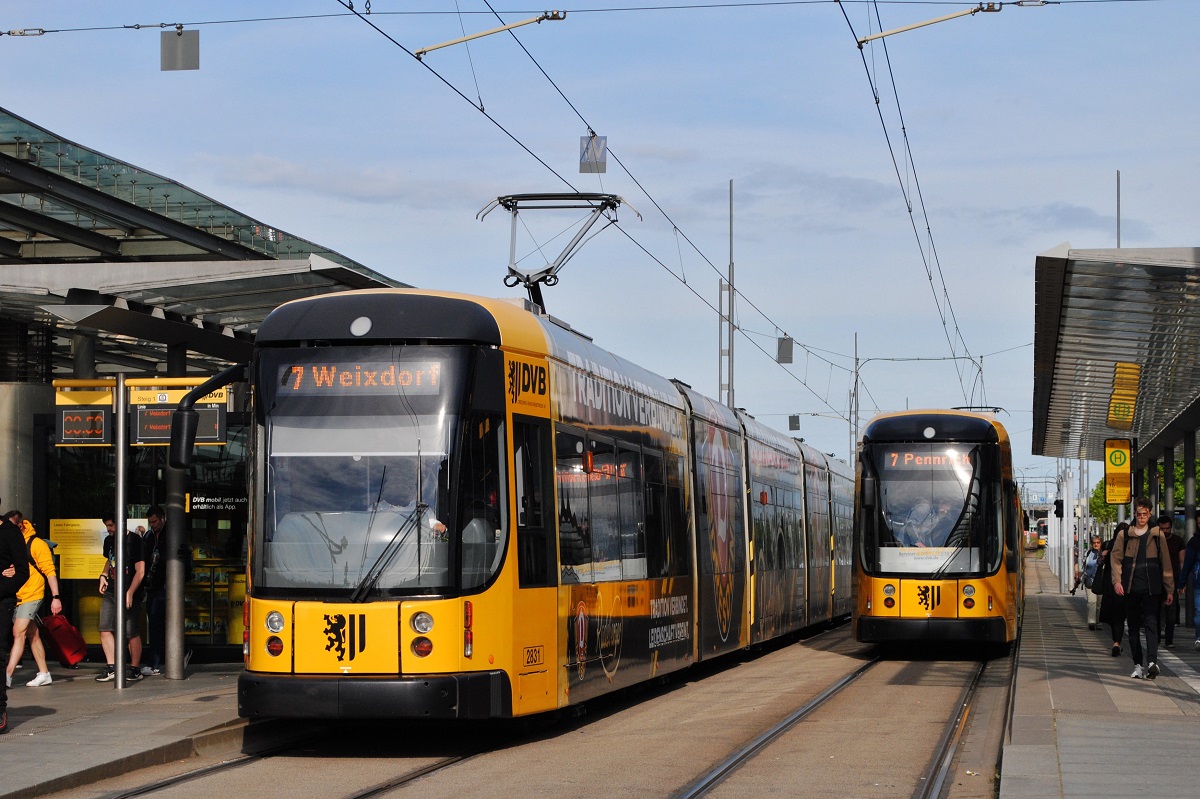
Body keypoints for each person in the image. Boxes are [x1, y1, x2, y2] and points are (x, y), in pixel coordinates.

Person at [1110, 498, 1175, 679]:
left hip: (1151, 588)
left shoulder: (1157, 535)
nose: (1142, 517)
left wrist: (1169, 588)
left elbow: (1166, 563)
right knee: (1132, 627)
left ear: (1150, 514)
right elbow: (1115, 559)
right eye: (1139, 513)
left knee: (1151, 624)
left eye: (1145, 513)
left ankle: (1152, 662)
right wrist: (1117, 581)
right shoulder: (1125, 534)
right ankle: (1138, 664)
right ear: (1135, 514)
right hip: (1130, 588)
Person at [4, 511, 62, 689]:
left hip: (33, 594)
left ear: (20, 525)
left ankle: (7, 675)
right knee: (32, 634)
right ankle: (44, 673)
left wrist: (56, 597)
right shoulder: (11, 541)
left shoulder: (36, 544)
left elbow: (49, 571)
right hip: (17, 595)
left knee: (18, 632)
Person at [96, 515, 145, 683]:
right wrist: (103, 575)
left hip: (129, 588)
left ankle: (135, 668)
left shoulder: (135, 541)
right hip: (112, 589)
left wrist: (130, 592)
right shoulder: (109, 540)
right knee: (105, 627)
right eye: (106, 525)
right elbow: (110, 560)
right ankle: (112, 667)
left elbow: (140, 570)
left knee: (130, 630)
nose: (108, 529)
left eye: (111, 525)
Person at [0, 497, 30, 733]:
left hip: (2, 601)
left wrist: (4, 588)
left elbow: (22, 572)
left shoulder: (10, 533)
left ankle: (0, 708)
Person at [140, 506, 166, 676]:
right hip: (153, 585)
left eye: (155, 521)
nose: (152, 525)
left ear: (162, 518)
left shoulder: (169, 535)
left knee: (158, 624)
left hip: (163, 585)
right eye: (150, 522)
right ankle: (155, 661)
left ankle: (154, 663)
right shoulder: (150, 536)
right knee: (156, 624)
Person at [1156, 514, 1184, 648]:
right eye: (1162, 529)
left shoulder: (1178, 541)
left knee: (1171, 610)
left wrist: (1182, 582)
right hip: (1156, 579)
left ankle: (1169, 639)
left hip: (1173, 579)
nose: (1165, 531)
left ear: (1171, 528)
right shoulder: (1154, 541)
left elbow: (1182, 561)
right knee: (1156, 609)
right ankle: (1156, 637)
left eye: (1167, 528)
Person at [1096, 524, 1125, 656]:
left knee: (1115, 616)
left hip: (1110, 585)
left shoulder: (1109, 545)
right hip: (1125, 584)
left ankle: (1116, 642)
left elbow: (1100, 563)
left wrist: (1103, 556)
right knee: (1120, 615)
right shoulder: (1129, 545)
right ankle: (1117, 642)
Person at [1074, 534, 1104, 630]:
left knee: (1099, 604)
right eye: (1094, 543)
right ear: (1091, 544)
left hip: (1100, 582)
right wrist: (1078, 578)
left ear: (1101, 543)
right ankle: (1092, 622)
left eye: (1098, 542)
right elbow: (1083, 566)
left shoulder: (1104, 554)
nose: (1096, 544)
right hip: (1089, 581)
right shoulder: (1088, 553)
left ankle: (1098, 622)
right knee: (1092, 602)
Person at [1181, 525, 1200, 652]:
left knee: (1199, 611)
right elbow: (1187, 563)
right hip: (1199, 581)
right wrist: (1181, 583)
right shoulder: (1195, 541)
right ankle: (1199, 637)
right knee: (1199, 611)